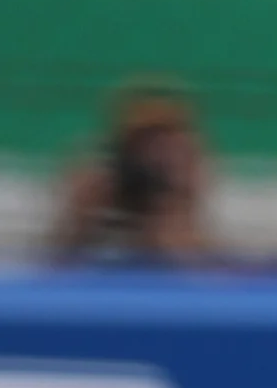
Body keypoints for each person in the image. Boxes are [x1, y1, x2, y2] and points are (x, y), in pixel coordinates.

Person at [50, 82, 218, 262]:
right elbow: (49, 272)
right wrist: (79, 221)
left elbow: (217, 276)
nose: (158, 160)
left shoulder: (223, 265)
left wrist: (176, 233)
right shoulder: (101, 192)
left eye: (169, 147)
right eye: (146, 145)